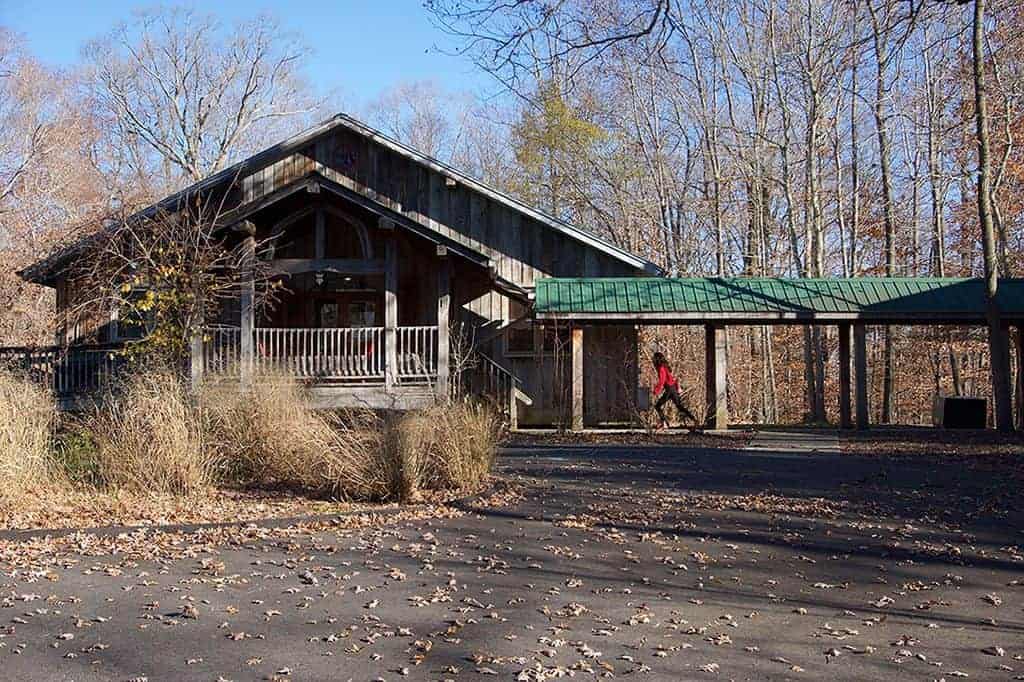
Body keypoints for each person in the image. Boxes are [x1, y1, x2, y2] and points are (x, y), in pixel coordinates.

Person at [652, 351, 698, 430]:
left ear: (657, 359)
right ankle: (694, 419)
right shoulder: (665, 366)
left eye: (654, 358)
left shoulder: (661, 368)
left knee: (657, 406)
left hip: (669, 389)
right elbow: (671, 379)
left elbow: (662, 381)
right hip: (672, 389)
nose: (652, 359)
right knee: (679, 406)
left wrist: (656, 390)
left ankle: (665, 423)